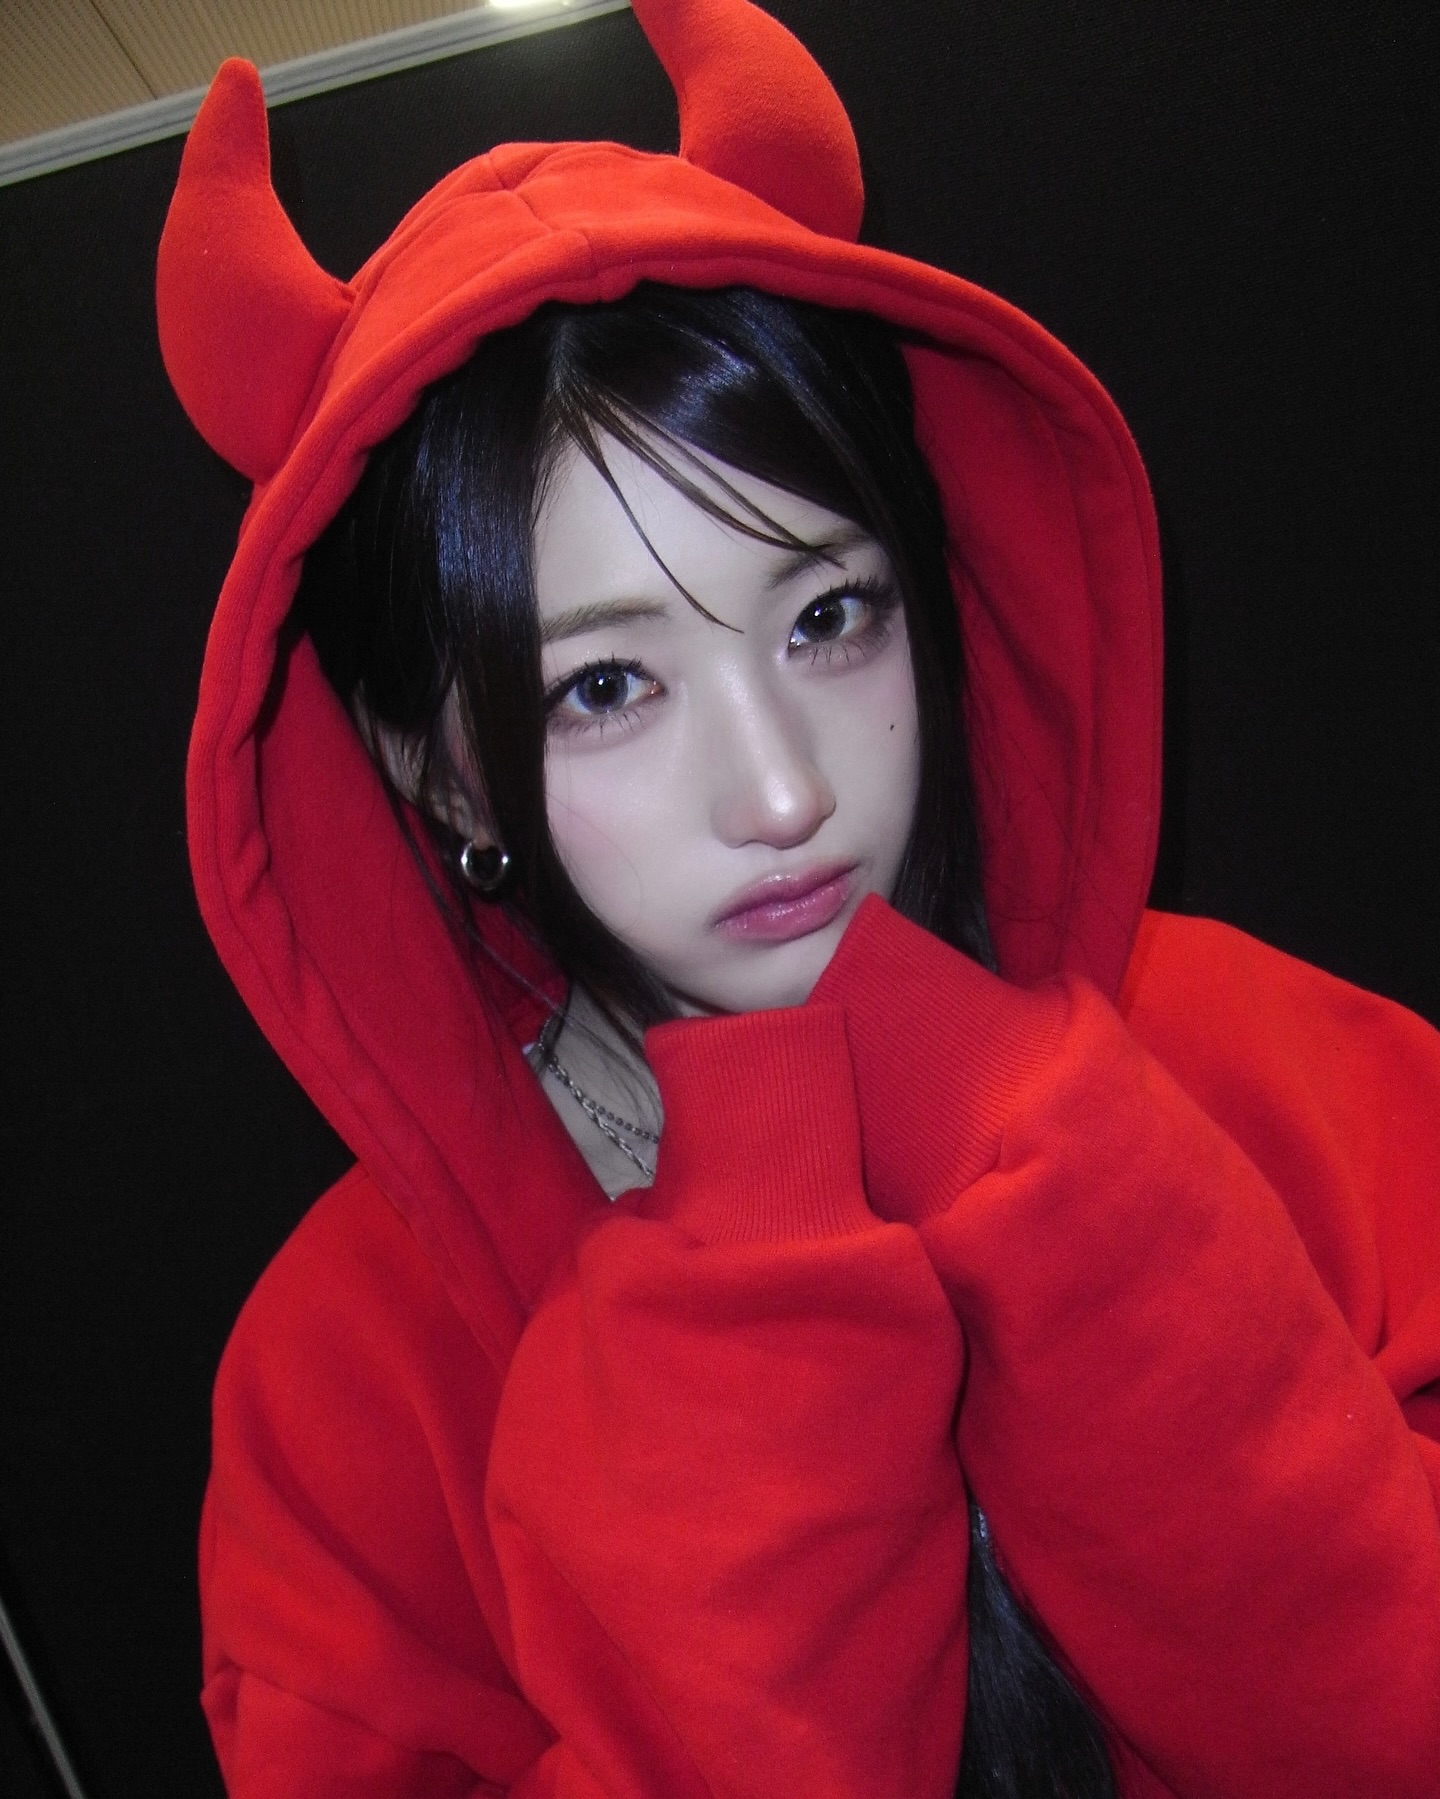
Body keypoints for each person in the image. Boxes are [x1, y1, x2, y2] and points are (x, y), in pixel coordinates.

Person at [155, 1, 1440, 1794]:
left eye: (828, 616)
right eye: (608, 686)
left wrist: (1108, 1229)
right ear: (442, 773)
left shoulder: (1269, 1062)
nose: (784, 794)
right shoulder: (346, 1392)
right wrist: (752, 1297)